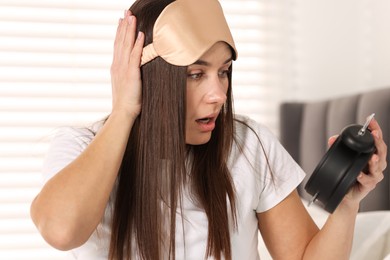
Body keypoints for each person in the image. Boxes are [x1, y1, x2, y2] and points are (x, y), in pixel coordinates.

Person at [30, 0, 388, 259]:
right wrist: (125, 109)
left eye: (224, 71)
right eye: (196, 74)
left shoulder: (247, 144)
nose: (218, 94)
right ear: (145, 76)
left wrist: (347, 203)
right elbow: (61, 231)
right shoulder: (82, 147)